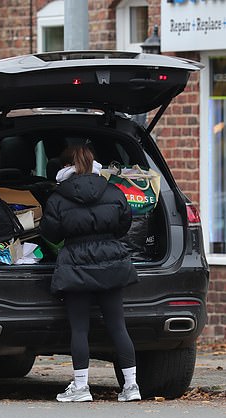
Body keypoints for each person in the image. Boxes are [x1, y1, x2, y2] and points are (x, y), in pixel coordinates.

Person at [40, 144, 140, 403]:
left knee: (80, 329)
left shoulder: (58, 197)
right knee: (118, 325)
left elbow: (50, 233)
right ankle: (131, 386)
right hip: (111, 258)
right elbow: (124, 224)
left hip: (76, 261)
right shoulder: (113, 190)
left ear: (64, 167)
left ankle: (82, 388)